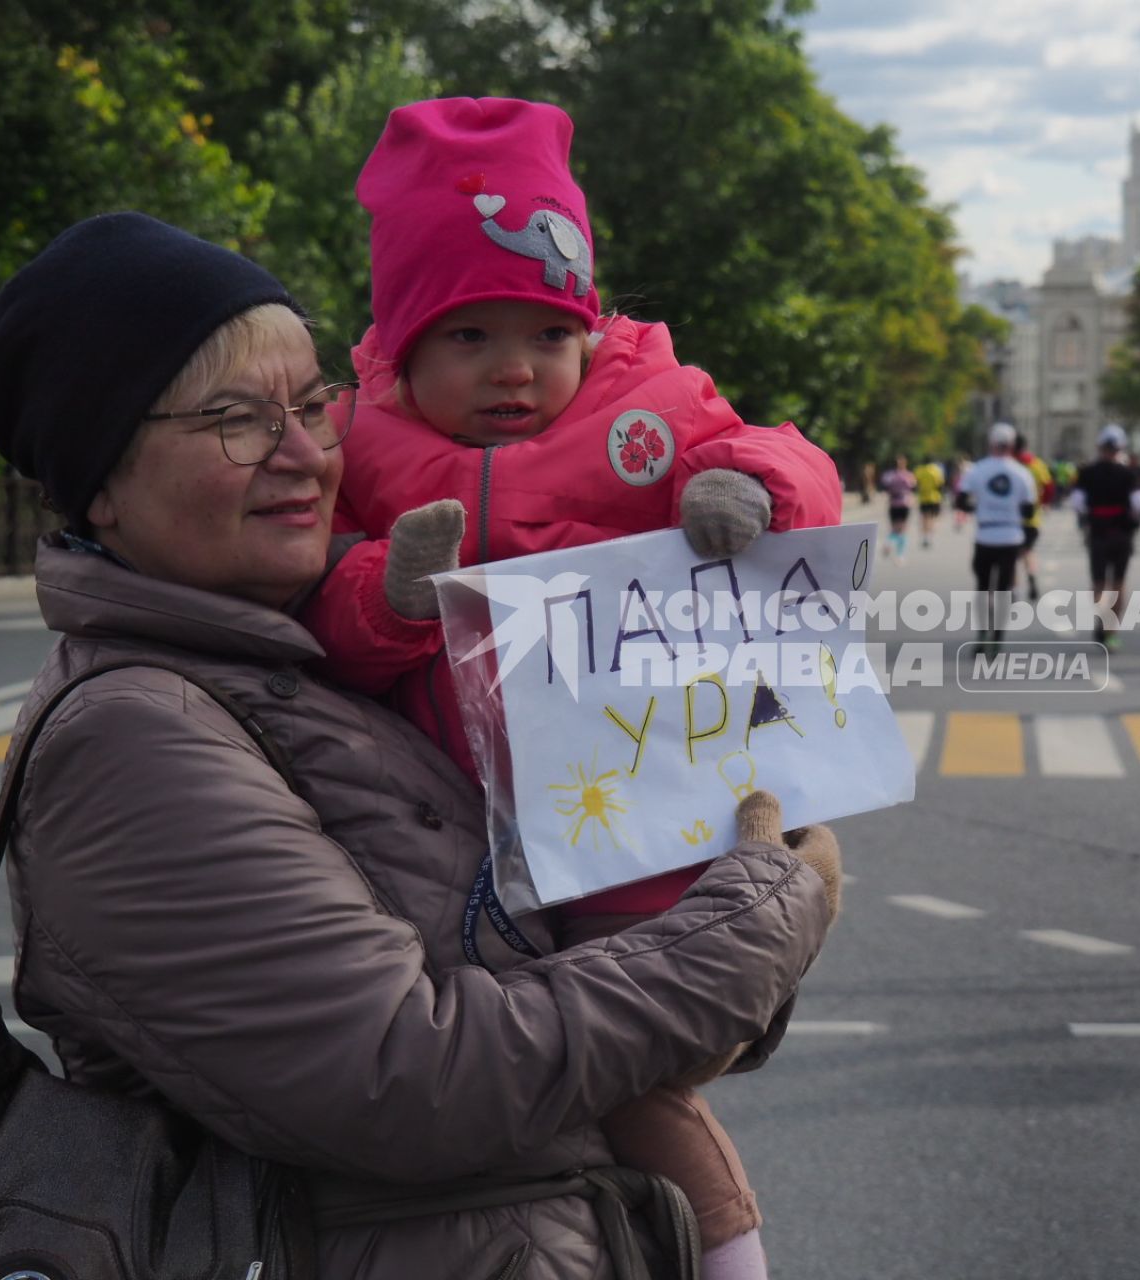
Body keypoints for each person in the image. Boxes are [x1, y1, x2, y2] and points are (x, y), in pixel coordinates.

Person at [0, 210, 841, 1277]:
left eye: (309, 406)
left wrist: (689, 866)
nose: (302, 455)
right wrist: (757, 917)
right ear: (98, 479)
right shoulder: (131, 739)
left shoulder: (311, 656)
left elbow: (559, 965)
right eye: (236, 419)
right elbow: (417, 1079)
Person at [298, 97, 844, 1276]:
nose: (513, 370)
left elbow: (796, 466)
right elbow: (327, 616)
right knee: (566, 1073)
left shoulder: (650, 406)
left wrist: (747, 486)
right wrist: (388, 594)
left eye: (546, 333)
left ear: (588, 323)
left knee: (636, 1068)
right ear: (398, 343)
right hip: (457, 837)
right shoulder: (361, 448)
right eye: (468, 337)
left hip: (640, 819)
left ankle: (731, 1252)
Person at [956, 422, 1038, 652]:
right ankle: (997, 637)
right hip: (1011, 536)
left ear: (991, 443)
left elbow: (961, 500)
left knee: (983, 587)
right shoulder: (1022, 473)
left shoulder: (977, 470)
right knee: (1003, 589)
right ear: (1012, 445)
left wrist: (982, 508)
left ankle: (982, 633)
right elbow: (1029, 510)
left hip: (985, 534)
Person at [1071, 424, 1140, 651]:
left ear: (1099, 447)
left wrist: (1086, 520)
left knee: (1099, 583)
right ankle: (1111, 630)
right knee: (1119, 583)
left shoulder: (1087, 473)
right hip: (1122, 534)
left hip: (1098, 533)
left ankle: (1102, 620)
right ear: (1121, 448)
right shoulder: (1129, 474)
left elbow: (1077, 503)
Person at [1012, 431, 1053, 602]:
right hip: (1033, 518)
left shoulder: (1011, 465)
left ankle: (1015, 589)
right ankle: (1032, 578)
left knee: (1013, 555)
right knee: (1028, 551)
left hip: (1012, 518)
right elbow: (1049, 486)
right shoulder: (1037, 464)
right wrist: (1043, 502)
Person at [880, 453, 917, 561]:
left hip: (893, 503)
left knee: (894, 528)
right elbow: (913, 487)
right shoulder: (909, 475)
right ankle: (900, 554)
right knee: (902, 530)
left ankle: (888, 543)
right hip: (904, 504)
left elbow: (885, 488)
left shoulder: (889, 475)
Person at [913, 455, 945, 548]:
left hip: (923, 497)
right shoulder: (936, 470)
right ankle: (930, 537)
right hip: (934, 497)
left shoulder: (919, 470)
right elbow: (940, 485)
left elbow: (916, 484)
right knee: (933, 518)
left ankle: (925, 537)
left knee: (924, 518)